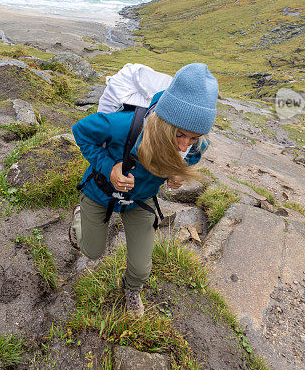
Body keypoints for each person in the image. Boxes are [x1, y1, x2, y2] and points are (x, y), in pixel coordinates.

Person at [69, 63, 218, 317]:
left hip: (140, 200)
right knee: (92, 251)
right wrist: (109, 167)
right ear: (164, 122)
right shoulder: (123, 125)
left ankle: (132, 290)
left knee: (141, 268)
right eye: (179, 135)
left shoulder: (195, 144)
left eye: (193, 137)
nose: (185, 145)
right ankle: (78, 218)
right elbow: (80, 131)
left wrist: (177, 171)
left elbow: (191, 157)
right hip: (99, 192)